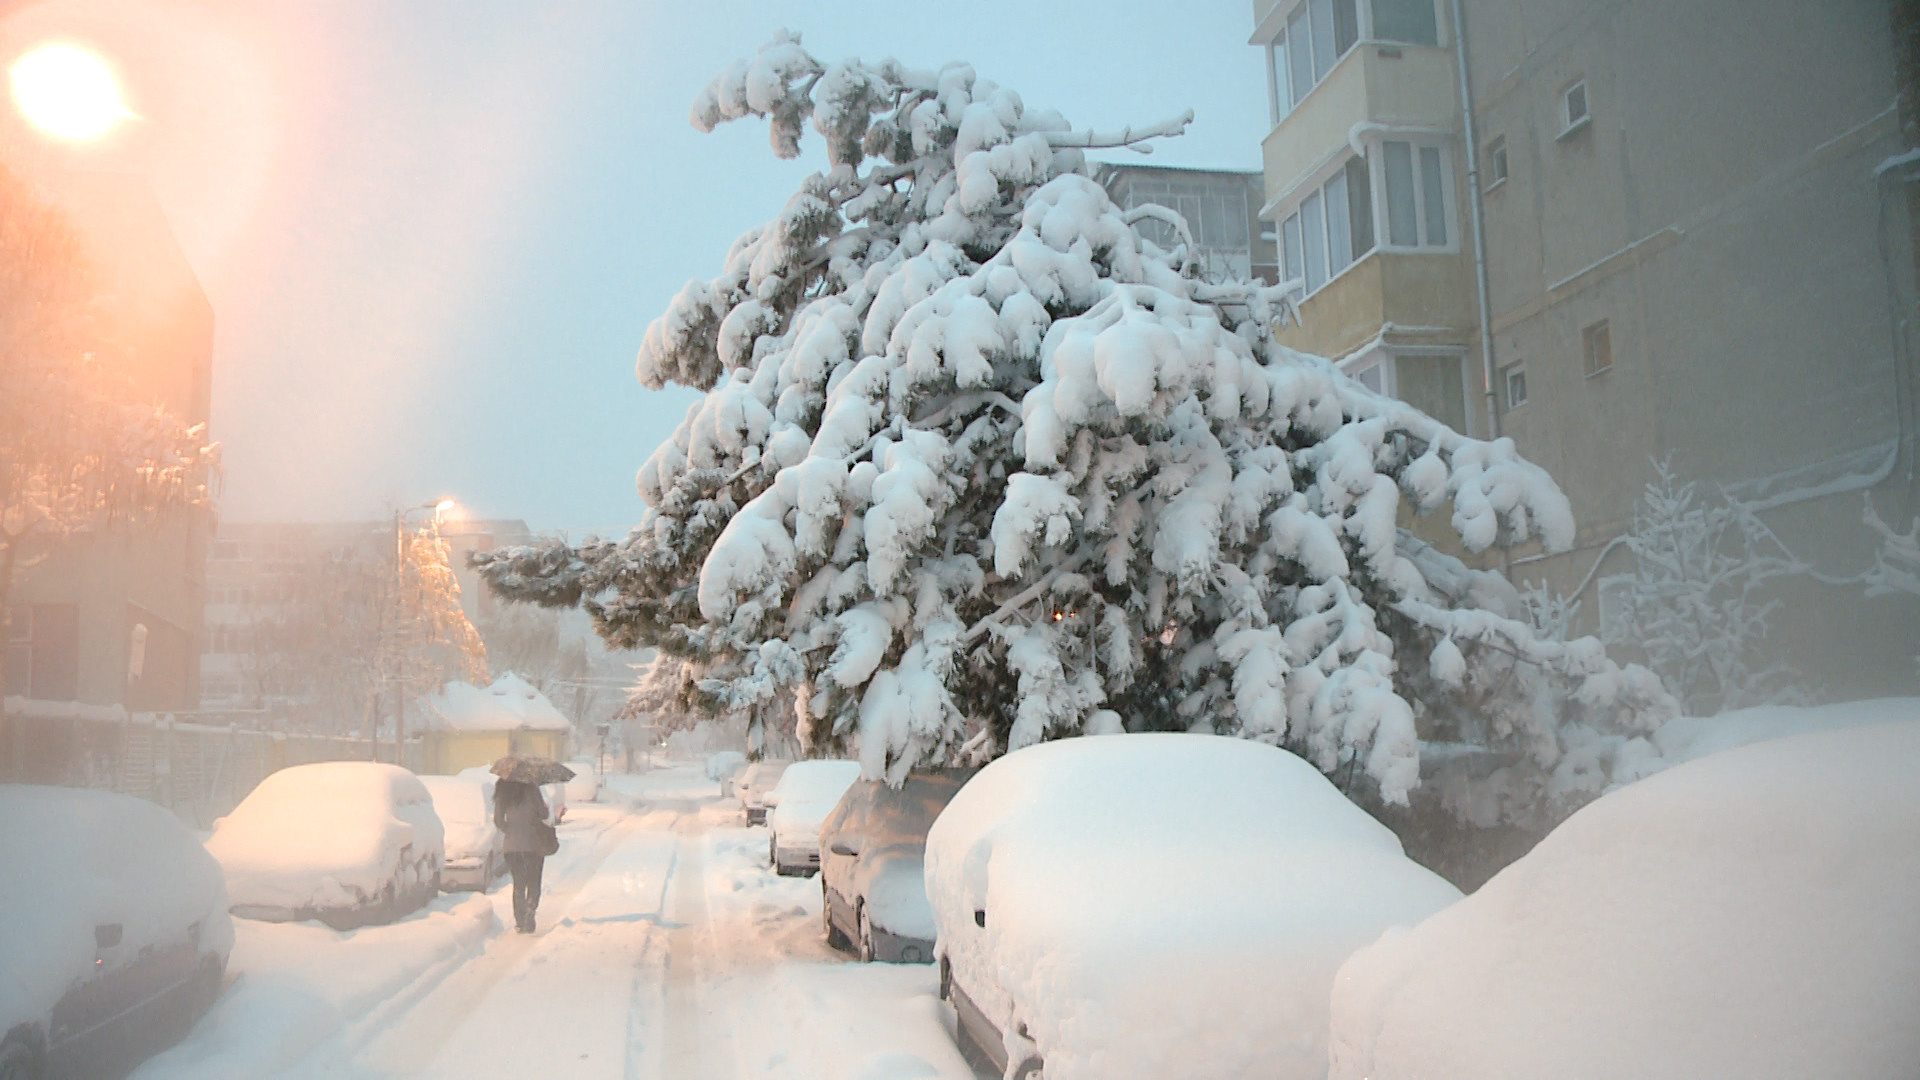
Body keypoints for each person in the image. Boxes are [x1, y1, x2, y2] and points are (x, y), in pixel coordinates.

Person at [493, 778, 553, 933]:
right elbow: (544, 814)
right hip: (533, 844)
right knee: (534, 879)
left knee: (519, 882)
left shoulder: (503, 791)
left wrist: (510, 831)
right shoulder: (532, 788)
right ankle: (530, 909)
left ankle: (520, 921)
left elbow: (498, 820)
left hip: (511, 846)